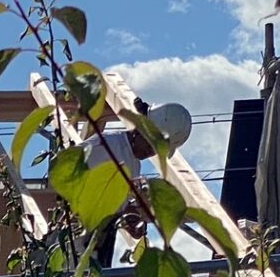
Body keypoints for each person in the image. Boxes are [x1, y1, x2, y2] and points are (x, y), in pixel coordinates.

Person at [77, 100, 193, 265]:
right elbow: (67, 174)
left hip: (98, 242)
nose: (151, 151)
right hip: (76, 235)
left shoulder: (133, 165)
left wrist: (130, 216)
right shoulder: (108, 145)